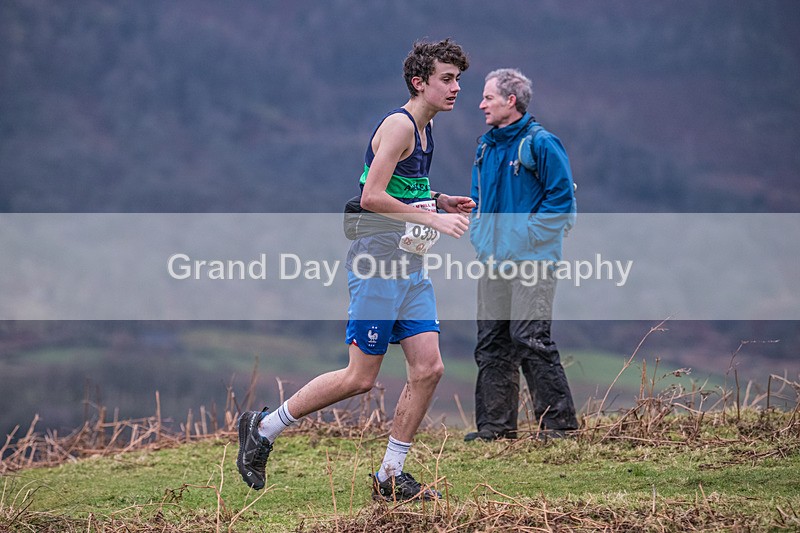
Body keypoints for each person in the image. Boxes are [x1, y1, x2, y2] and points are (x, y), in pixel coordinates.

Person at [236, 39, 474, 502]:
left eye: (458, 79)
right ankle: (263, 428)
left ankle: (390, 475)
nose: (456, 88)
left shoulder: (426, 130)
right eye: (446, 79)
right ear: (418, 82)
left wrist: (437, 199)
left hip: (410, 265)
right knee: (360, 377)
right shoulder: (399, 125)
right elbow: (370, 198)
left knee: (429, 368)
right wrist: (434, 218)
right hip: (377, 264)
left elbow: (397, 188)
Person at [465, 68, 578, 442]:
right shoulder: (486, 146)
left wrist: (524, 239)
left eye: (488, 97)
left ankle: (559, 428)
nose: (481, 104)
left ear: (510, 101)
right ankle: (495, 430)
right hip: (492, 261)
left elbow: (562, 202)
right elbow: (479, 201)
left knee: (530, 338)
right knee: (492, 342)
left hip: (533, 261)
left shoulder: (542, 143)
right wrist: (481, 238)